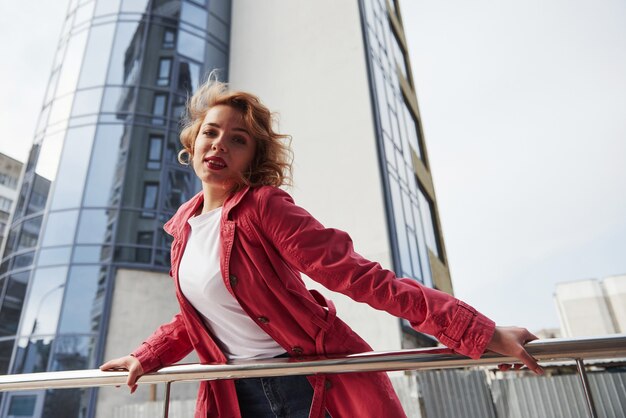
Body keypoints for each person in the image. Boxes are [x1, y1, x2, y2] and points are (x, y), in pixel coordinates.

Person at [100, 76, 543, 418]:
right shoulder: (184, 228)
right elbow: (199, 314)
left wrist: (479, 332)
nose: (219, 145)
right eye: (211, 133)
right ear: (192, 142)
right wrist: (146, 355)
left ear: (254, 157)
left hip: (304, 385)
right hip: (233, 394)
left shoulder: (263, 207)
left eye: (238, 139)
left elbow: (361, 278)